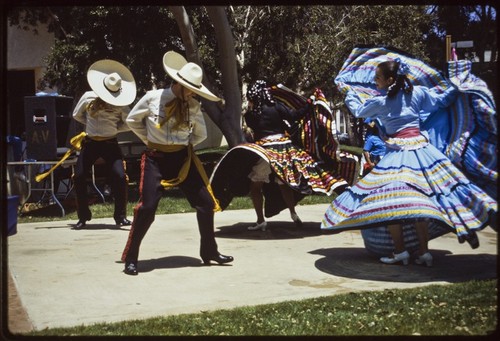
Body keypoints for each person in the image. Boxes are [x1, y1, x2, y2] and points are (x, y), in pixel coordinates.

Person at [321, 58, 497, 267]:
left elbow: (358, 111)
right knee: (419, 201)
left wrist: (349, 92)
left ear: (390, 80)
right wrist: (457, 84)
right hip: (423, 152)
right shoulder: (418, 93)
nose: (375, 82)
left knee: (391, 202)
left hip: (397, 154)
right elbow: (442, 101)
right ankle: (424, 253)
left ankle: (400, 251)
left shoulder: (381, 102)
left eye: (378, 78)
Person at [121, 51, 233, 275]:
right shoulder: (153, 98)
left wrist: (184, 144)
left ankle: (209, 251)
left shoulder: (192, 106)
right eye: (190, 89)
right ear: (179, 83)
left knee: (206, 203)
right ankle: (131, 257)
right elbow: (133, 119)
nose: (192, 93)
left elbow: (200, 134)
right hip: (155, 159)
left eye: (195, 90)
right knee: (147, 208)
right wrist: (149, 139)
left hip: (183, 159)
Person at [244, 80, 347, 231]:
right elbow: (295, 115)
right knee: (284, 183)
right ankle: (293, 213)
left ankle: (260, 220)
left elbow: (254, 129)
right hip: (285, 149)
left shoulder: (250, 114)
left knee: (256, 186)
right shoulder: (276, 107)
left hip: (265, 150)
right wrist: (310, 102)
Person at [72, 59, 137, 230]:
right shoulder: (88, 97)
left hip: (110, 143)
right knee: (78, 176)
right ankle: (83, 216)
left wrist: (115, 128)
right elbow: (77, 115)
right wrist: (89, 125)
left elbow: (129, 121)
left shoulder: (120, 103)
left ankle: (120, 216)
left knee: (120, 177)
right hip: (91, 142)